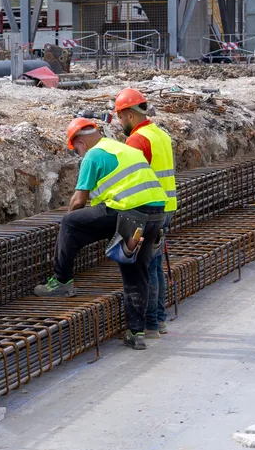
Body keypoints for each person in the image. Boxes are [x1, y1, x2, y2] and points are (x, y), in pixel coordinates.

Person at [34, 117, 167, 350]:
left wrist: (69, 226)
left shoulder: (93, 155)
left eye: (76, 149)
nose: (78, 153)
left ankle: (62, 281)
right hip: (156, 215)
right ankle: (136, 332)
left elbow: (79, 200)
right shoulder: (121, 148)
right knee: (135, 271)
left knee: (70, 223)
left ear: (81, 142)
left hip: (128, 213)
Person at [114, 88, 177, 339]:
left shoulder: (137, 140)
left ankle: (150, 325)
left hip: (149, 210)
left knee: (146, 268)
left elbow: (131, 179)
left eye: (121, 118)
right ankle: (158, 321)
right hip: (167, 206)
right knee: (156, 266)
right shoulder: (160, 134)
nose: (120, 123)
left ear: (130, 115)